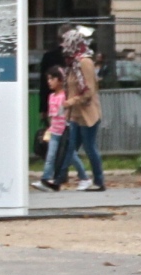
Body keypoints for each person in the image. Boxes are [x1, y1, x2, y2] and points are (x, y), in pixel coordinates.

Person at [57, 28, 105, 191]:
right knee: (69, 148)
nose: (64, 48)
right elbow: (71, 87)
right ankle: (57, 180)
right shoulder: (72, 64)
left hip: (87, 113)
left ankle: (99, 182)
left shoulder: (84, 62)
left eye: (67, 44)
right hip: (75, 115)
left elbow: (89, 91)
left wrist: (71, 102)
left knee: (90, 148)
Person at [32, 65, 87, 191]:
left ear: (60, 80)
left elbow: (66, 114)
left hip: (64, 132)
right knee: (50, 156)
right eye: (48, 79)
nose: (49, 82)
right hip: (55, 132)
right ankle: (45, 180)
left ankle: (84, 177)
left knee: (72, 156)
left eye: (52, 79)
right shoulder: (51, 97)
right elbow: (52, 116)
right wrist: (49, 129)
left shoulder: (65, 96)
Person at [37, 24, 73, 123]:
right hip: (73, 104)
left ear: (58, 38)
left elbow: (43, 85)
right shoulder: (75, 57)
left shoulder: (48, 57)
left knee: (55, 132)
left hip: (53, 104)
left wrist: (43, 108)